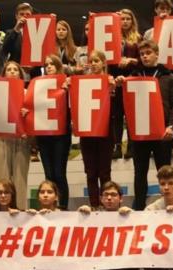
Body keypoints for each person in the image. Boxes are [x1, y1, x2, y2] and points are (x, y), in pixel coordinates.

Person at [116, 40, 173, 210]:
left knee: (165, 172)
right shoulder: (133, 76)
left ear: (156, 54)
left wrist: (171, 126)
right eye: (142, 54)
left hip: (162, 132)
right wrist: (121, 82)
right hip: (140, 133)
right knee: (140, 172)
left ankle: (170, 205)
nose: (145, 56)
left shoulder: (169, 77)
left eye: (148, 53)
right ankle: (138, 207)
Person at [75, 50, 115, 208]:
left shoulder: (110, 81)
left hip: (105, 131)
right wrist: (69, 85)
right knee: (91, 173)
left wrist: (113, 89)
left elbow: (116, 108)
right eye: (91, 61)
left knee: (105, 173)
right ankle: (94, 206)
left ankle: (107, 205)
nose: (94, 64)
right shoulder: (82, 83)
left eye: (97, 60)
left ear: (104, 62)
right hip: (87, 132)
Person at [31, 55, 71, 210]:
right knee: (49, 174)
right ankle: (49, 207)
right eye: (46, 64)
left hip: (61, 134)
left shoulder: (66, 82)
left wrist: (68, 90)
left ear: (58, 66)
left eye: (52, 64)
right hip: (44, 134)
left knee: (59, 173)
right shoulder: (38, 85)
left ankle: (63, 207)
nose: (48, 67)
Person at [0, 61, 31, 210]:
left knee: (20, 178)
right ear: (4, 74)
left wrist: (27, 116)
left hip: (21, 138)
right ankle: (0, 212)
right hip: (2, 138)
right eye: (8, 69)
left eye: (15, 69)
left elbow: (35, 117)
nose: (12, 72)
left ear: (21, 74)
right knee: (1, 178)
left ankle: (20, 211)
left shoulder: (28, 93)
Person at [111, 8, 141, 160]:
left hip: (132, 80)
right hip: (115, 81)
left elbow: (143, 60)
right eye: (122, 19)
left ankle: (130, 145)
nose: (125, 21)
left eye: (128, 19)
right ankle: (117, 145)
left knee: (130, 115)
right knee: (117, 115)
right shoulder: (110, 37)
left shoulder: (138, 38)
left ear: (132, 21)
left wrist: (131, 60)